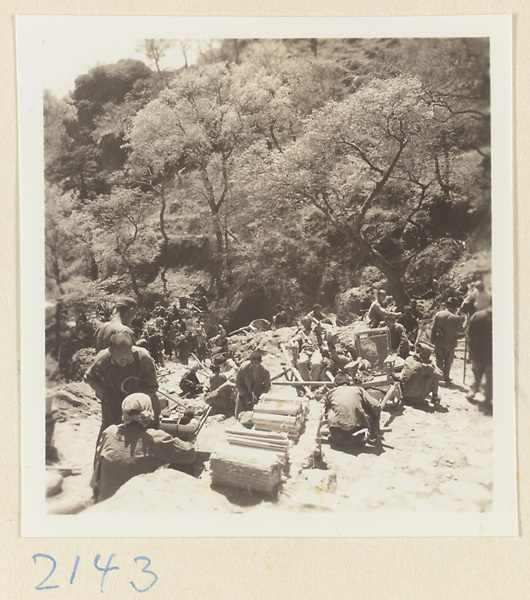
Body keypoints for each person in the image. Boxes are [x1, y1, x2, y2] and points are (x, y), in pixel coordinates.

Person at [91, 393, 196, 503]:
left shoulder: (109, 432)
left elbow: (98, 469)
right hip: (136, 506)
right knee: (182, 462)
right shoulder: (156, 438)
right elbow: (190, 454)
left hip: (106, 502)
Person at [85, 331, 160, 440]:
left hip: (142, 407)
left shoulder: (142, 358)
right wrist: (105, 394)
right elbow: (89, 378)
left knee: (146, 441)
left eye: (128, 355)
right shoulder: (104, 358)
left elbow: (152, 386)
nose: (124, 359)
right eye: (119, 356)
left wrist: (134, 402)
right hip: (114, 405)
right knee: (109, 439)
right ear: (111, 351)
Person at [324, 373, 381, 447]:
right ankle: (374, 434)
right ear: (349, 383)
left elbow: (321, 408)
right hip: (358, 437)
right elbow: (376, 405)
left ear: (335, 384)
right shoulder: (358, 389)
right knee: (367, 407)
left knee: (330, 408)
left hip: (337, 436)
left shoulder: (331, 392)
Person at [466, 299, 493, 413]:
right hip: (491, 352)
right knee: (490, 376)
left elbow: (469, 334)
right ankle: (488, 398)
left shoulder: (477, 316)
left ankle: (472, 391)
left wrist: (470, 351)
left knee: (477, 373)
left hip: (477, 350)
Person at [430, 297, 464, 384]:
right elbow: (461, 333)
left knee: (439, 360)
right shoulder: (456, 318)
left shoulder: (438, 314)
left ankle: (440, 377)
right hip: (450, 343)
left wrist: (432, 340)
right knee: (448, 361)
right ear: (454, 307)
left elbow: (433, 329)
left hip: (439, 341)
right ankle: (446, 377)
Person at [235, 350, 271, 417]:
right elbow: (238, 382)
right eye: (253, 363)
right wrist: (244, 393)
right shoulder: (244, 368)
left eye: (257, 363)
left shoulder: (265, 371)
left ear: (260, 362)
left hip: (257, 395)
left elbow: (267, 386)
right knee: (239, 416)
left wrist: (259, 395)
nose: (254, 365)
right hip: (243, 394)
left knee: (255, 417)